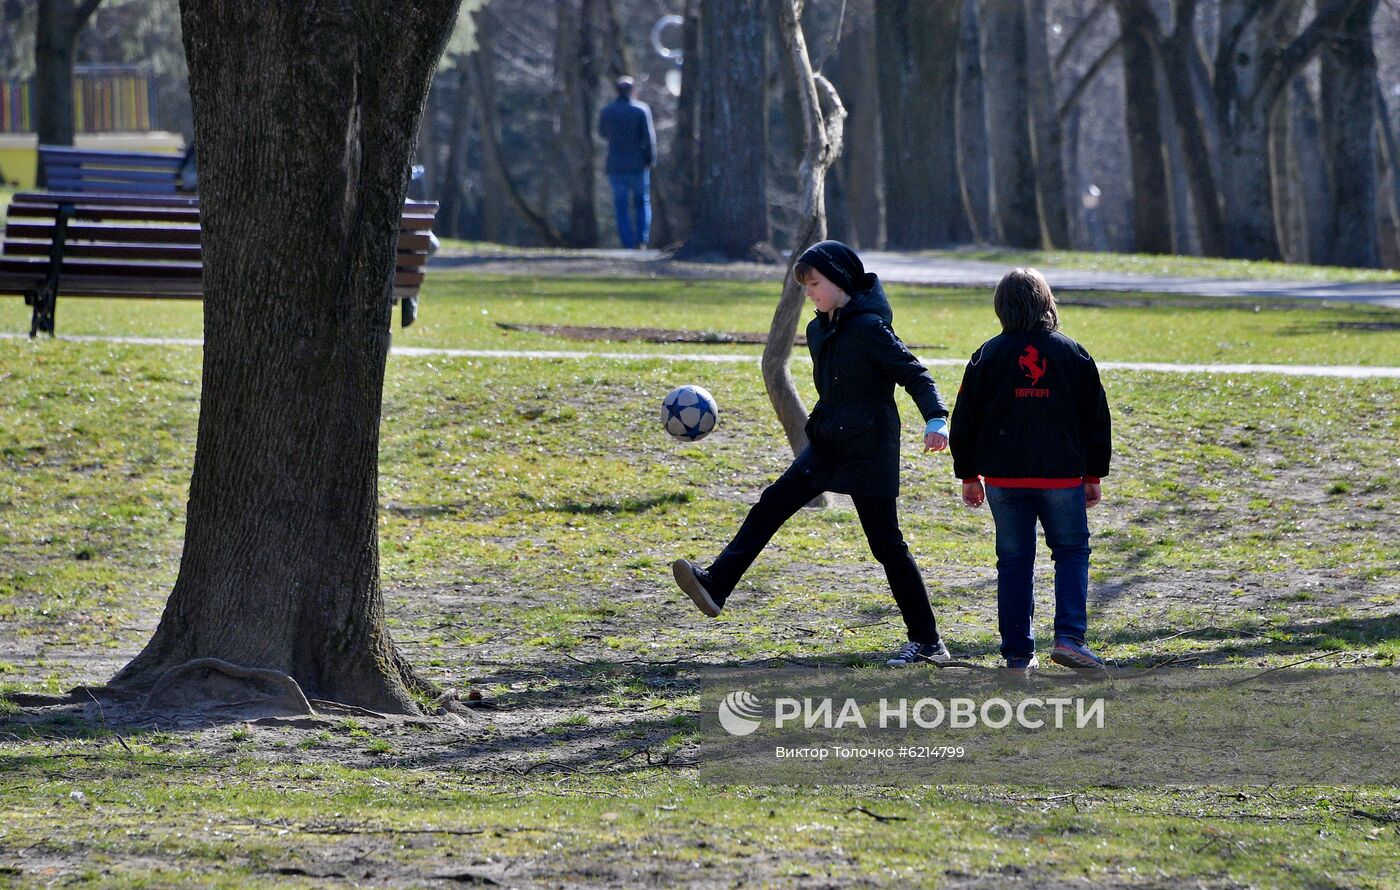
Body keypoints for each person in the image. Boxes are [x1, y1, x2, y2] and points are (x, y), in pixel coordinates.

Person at [671, 241, 956, 667]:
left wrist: (936, 418)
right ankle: (716, 585)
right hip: (826, 443)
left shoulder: (869, 329)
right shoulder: (820, 328)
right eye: (804, 285)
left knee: (887, 546)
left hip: (869, 449)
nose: (808, 293)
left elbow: (914, 373)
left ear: (840, 281)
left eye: (815, 283)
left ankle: (928, 641)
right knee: (772, 502)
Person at [949, 268, 1112, 677]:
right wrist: (1093, 474)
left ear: (1001, 307)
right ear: (1047, 303)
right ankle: (1070, 639)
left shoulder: (987, 355)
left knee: (1014, 561)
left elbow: (964, 419)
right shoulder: (1073, 353)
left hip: (1004, 480)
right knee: (1072, 552)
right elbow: (1096, 418)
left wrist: (969, 474)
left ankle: (1018, 656)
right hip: (1062, 477)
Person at [597, 75, 655, 249]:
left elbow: (602, 133)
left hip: (615, 165)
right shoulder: (641, 110)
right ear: (633, 90)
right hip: (638, 164)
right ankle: (642, 240)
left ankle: (627, 243)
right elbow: (649, 137)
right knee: (642, 203)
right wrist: (651, 159)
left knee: (621, 206)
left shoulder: (607, 110)